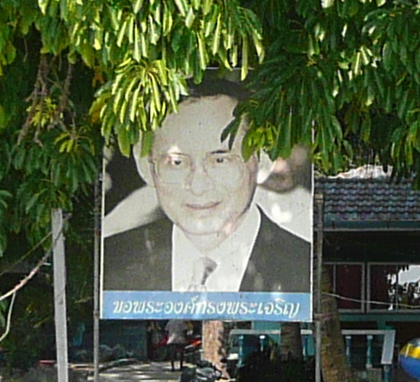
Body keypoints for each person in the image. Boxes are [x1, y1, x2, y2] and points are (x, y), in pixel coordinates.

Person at [102, 86, 311, 295]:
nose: (198, 186)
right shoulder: (114, 259)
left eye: (220, 160)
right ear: (147, 169)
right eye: (176, 162)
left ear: (262, 162)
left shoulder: (303, 265)